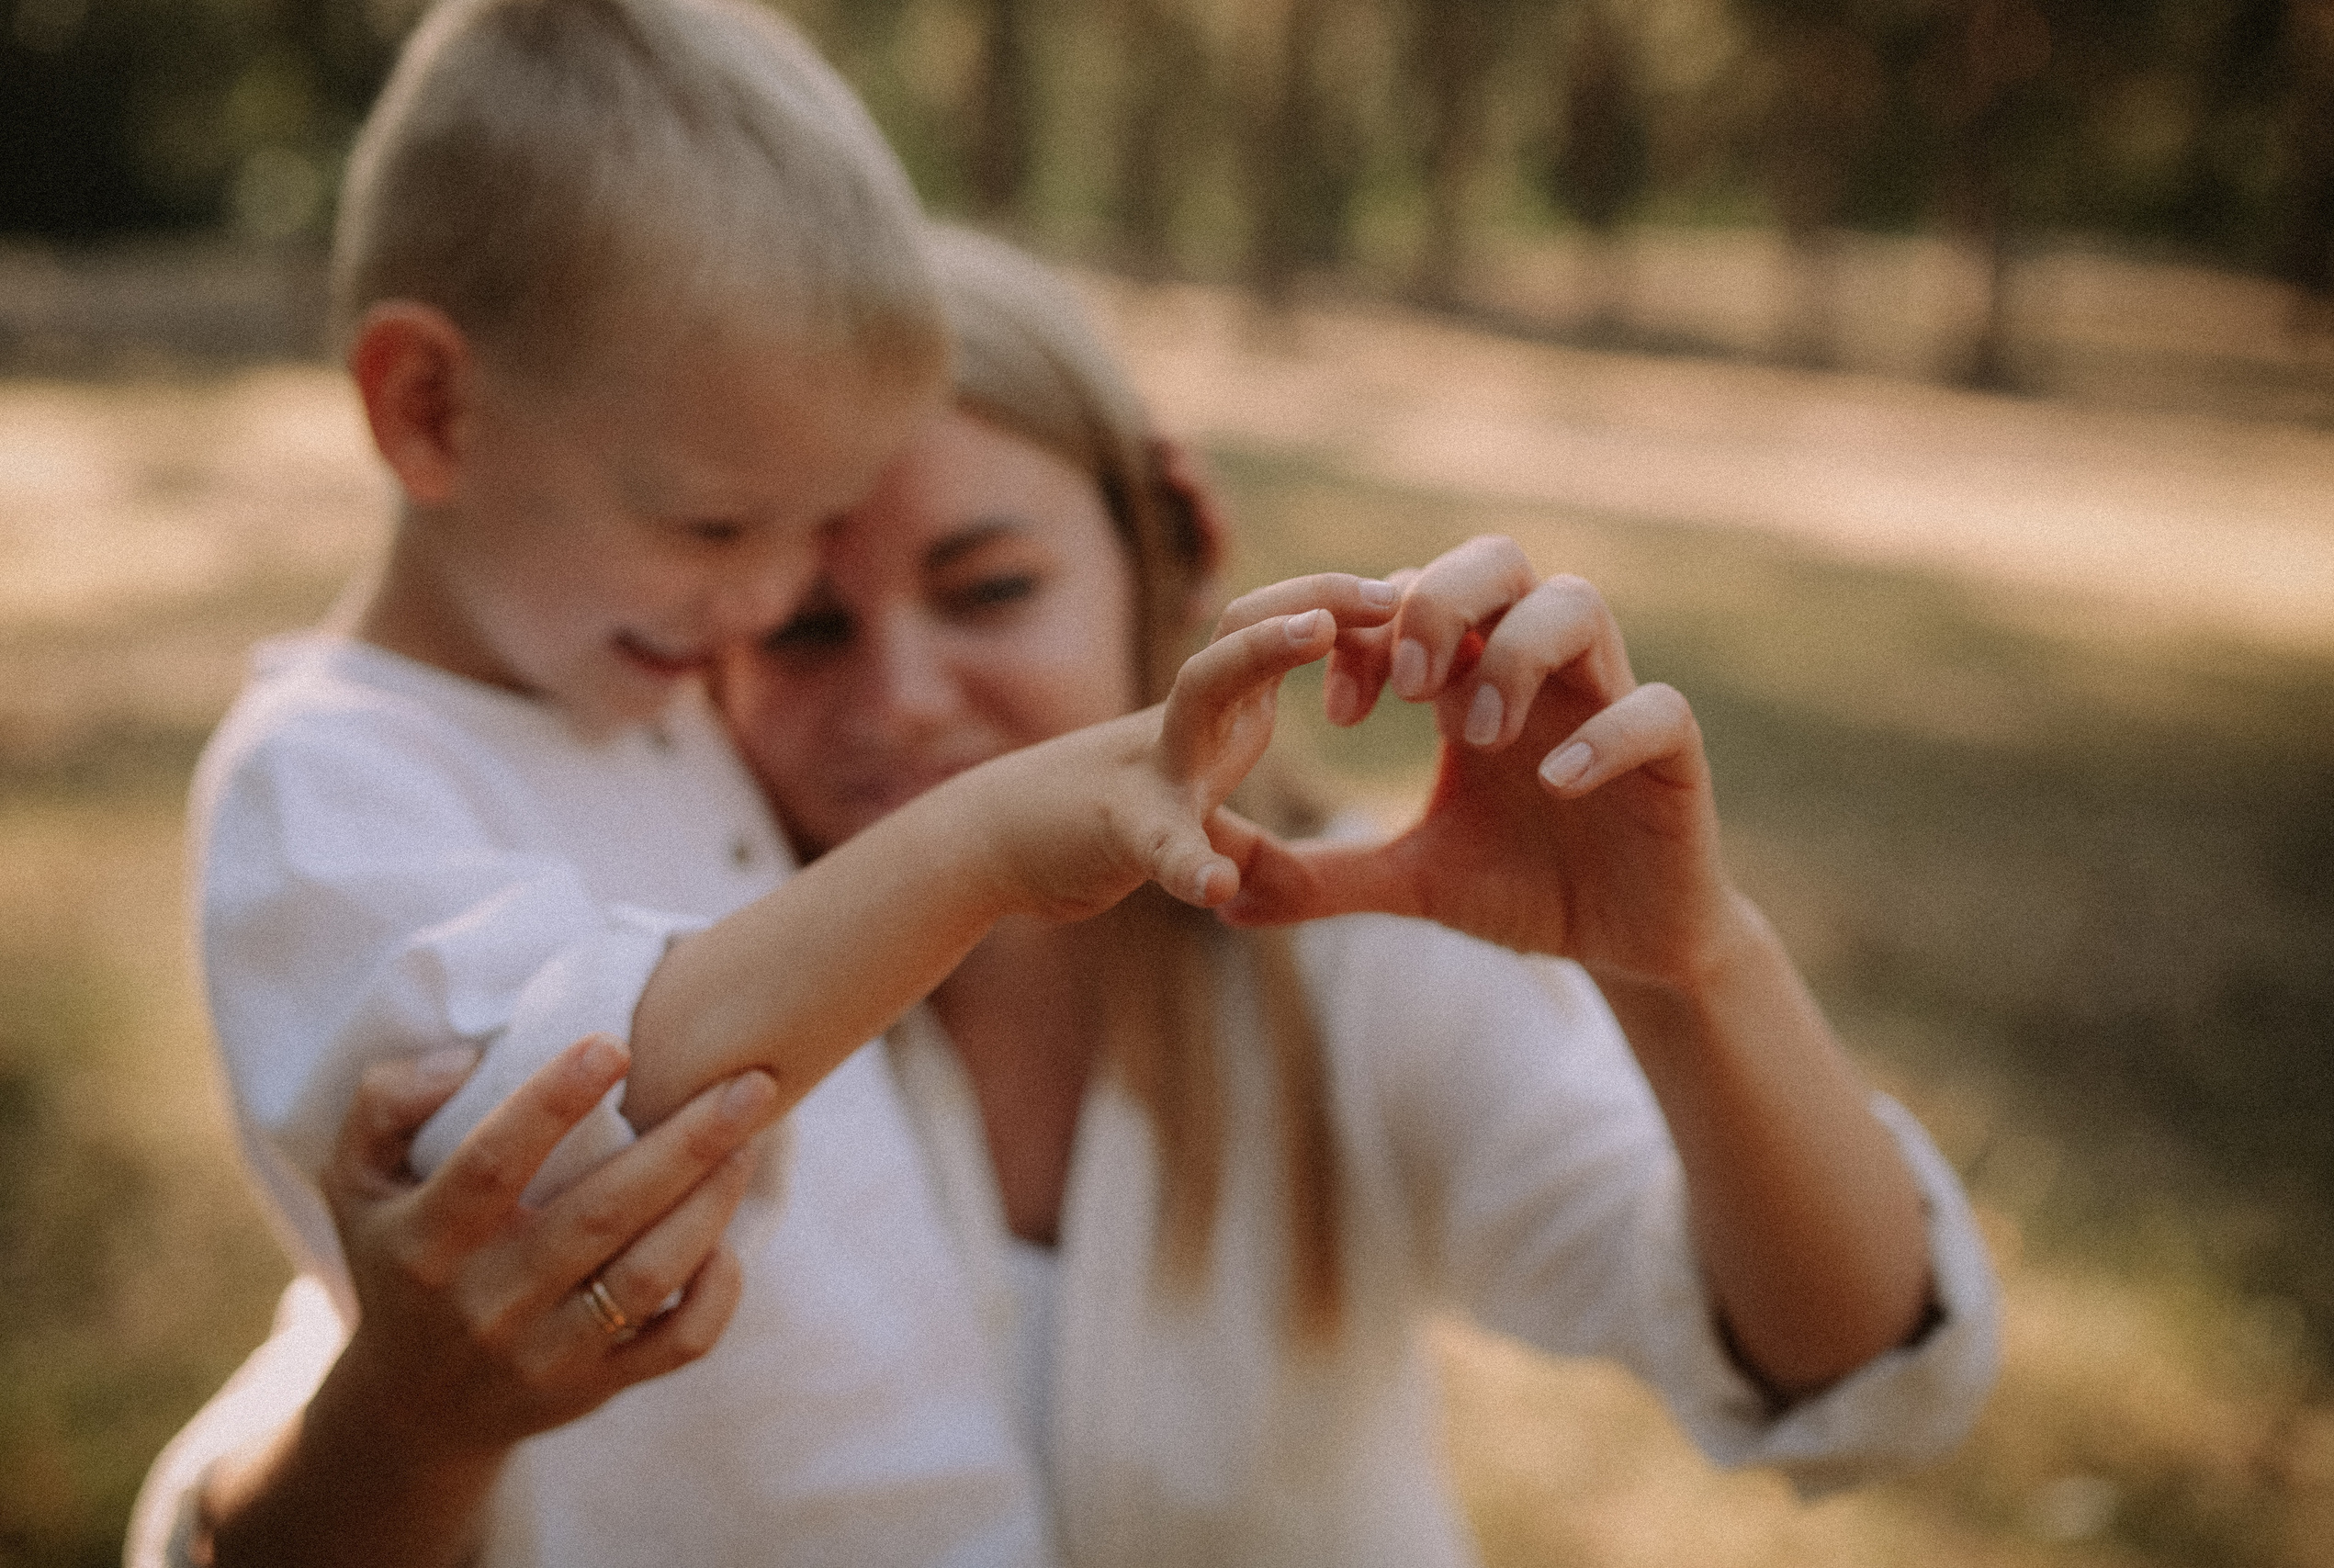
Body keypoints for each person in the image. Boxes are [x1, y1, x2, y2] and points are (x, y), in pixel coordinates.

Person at [145, 0, 1401, 1560]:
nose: (763, 601)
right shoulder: (328, 790)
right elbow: (576, 1129)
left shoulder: (632, 690)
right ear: (428, 409)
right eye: (718, 525)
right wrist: (981, 845)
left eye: (813, 529)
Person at [705, 225, 2004, 1560]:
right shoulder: (676, 984)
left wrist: (1689, 966)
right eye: (803, 627)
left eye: (989, 590)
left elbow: (1861, 1377)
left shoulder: (1355, 944)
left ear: (1168, 556)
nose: (902, 699)